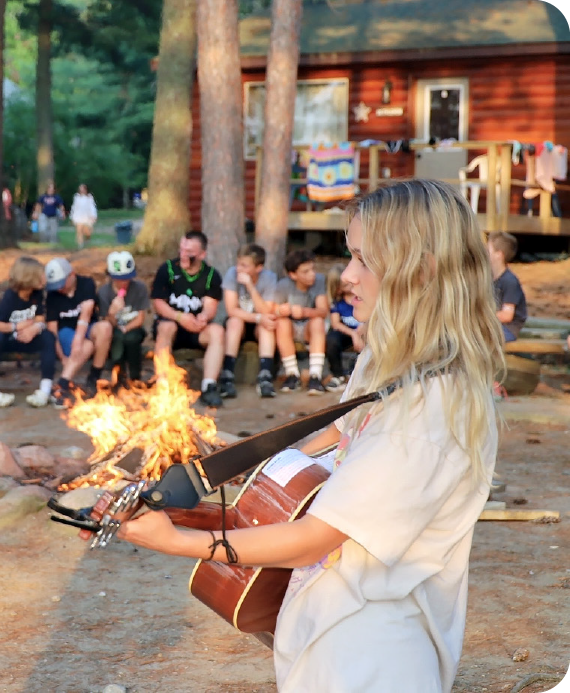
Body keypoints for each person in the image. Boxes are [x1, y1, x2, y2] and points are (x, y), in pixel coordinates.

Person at [117, 179, 503, 692]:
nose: (346, 276)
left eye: (363, 260)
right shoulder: (386, 359)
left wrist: (180, 541)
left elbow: (314, 539)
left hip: (374, 659)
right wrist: (212, 489)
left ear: (422, 270)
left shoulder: (432, 408)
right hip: (329, 635)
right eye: (349, 256)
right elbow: (333, 439)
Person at [151, 230, 225, 408]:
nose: (183, 255)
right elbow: (158, 303)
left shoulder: (211, 275)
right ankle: (163, 385)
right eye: (181, 249)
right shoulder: (167, 269)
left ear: (202, 254)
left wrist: (203, 317)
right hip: (171, 325)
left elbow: (210, 306)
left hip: (196, 330)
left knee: (217, 331)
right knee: (166, 327)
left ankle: (209, 386)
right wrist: (179, 317)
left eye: (189, 252)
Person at [0, 256, 58, 407]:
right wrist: (15, 327)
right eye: (40, 275)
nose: (44, 278)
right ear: (29, 278)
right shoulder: (10, 297)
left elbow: (40, 317)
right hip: (9, 340)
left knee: (48, 337)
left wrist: (34, 328)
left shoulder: (37, 293)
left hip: (28, 339)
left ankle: (45, 391)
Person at [220, 243, 278, 399]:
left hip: (259, 325)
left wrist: (251, 286)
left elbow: (266, 310)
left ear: (258, 268)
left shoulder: (269, 278)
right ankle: (227, 375)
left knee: (267, 326)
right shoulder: (231, 274)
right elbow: (232, 309)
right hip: (240, 322)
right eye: (238, 263)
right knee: (235, 321)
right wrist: (258, 317)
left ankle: (265, 376)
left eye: (244, 266)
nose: (239, 268)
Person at [44, 257, 101, 407]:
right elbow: (52, 329)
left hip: (86, 327)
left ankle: (94, 378)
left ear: (72, 275)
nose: (59, 289)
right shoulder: (53, 295)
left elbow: (87, 312)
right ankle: (62, 385)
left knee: (104, 328)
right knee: (87, 346)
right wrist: (62, 357)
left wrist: (78, 339)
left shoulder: (86, 283)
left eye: (61, 284)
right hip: (66, 332)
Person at [272, 249, 330, 395]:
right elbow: (273, 309)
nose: (312, 274)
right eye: (305, 271)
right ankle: (292, 374)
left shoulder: (319, 281)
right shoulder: (284, 285)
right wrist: (281, 311)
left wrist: (304, 312)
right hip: (291, 328)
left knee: (317, 321)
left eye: (312, 269)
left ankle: (315, 376)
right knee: (282, 323)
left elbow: (323, 311)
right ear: (293, 275)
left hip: (309, 328)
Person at [93, 250, 150, 388]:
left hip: (133, 328)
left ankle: (135, 378)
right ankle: (119, 378)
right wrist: (112, 313)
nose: (124, 282)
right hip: (114, 329)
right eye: (120, 279)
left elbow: (140, 318)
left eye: (127, 278)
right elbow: (107, 323)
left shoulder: (139, 288)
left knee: (131, 338)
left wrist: (125, 328)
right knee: (118, 339)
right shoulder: (104, 292)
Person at [324, 263, 363, 392]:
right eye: (346, 285)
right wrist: (353, 334)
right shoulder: (338, 302)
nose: (351, 286)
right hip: (349, 332)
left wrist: (362, 331)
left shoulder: (362, 296)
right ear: (338, 289)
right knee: (332, 339)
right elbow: (335, 323)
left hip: (365, 329)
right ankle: (338, 375)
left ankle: (358, 373)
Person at [486, 231, 527, 342]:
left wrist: (481, 317)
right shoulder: (489, 278)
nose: (484, 253)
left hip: (507, 329)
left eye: (488, 250)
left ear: (499, 255)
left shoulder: (510, 281)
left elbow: (507, 315)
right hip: (493, 325)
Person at [69, 183, 97, 250]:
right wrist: (71, 216)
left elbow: (92, 207)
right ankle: (80, 245)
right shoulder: (76, 197)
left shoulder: (89, 197)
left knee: (87, 232)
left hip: (87, 217)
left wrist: (94, 215)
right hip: (78, 216)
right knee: (79, 231)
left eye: (83, 189)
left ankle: (87, 240)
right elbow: (74, 207)